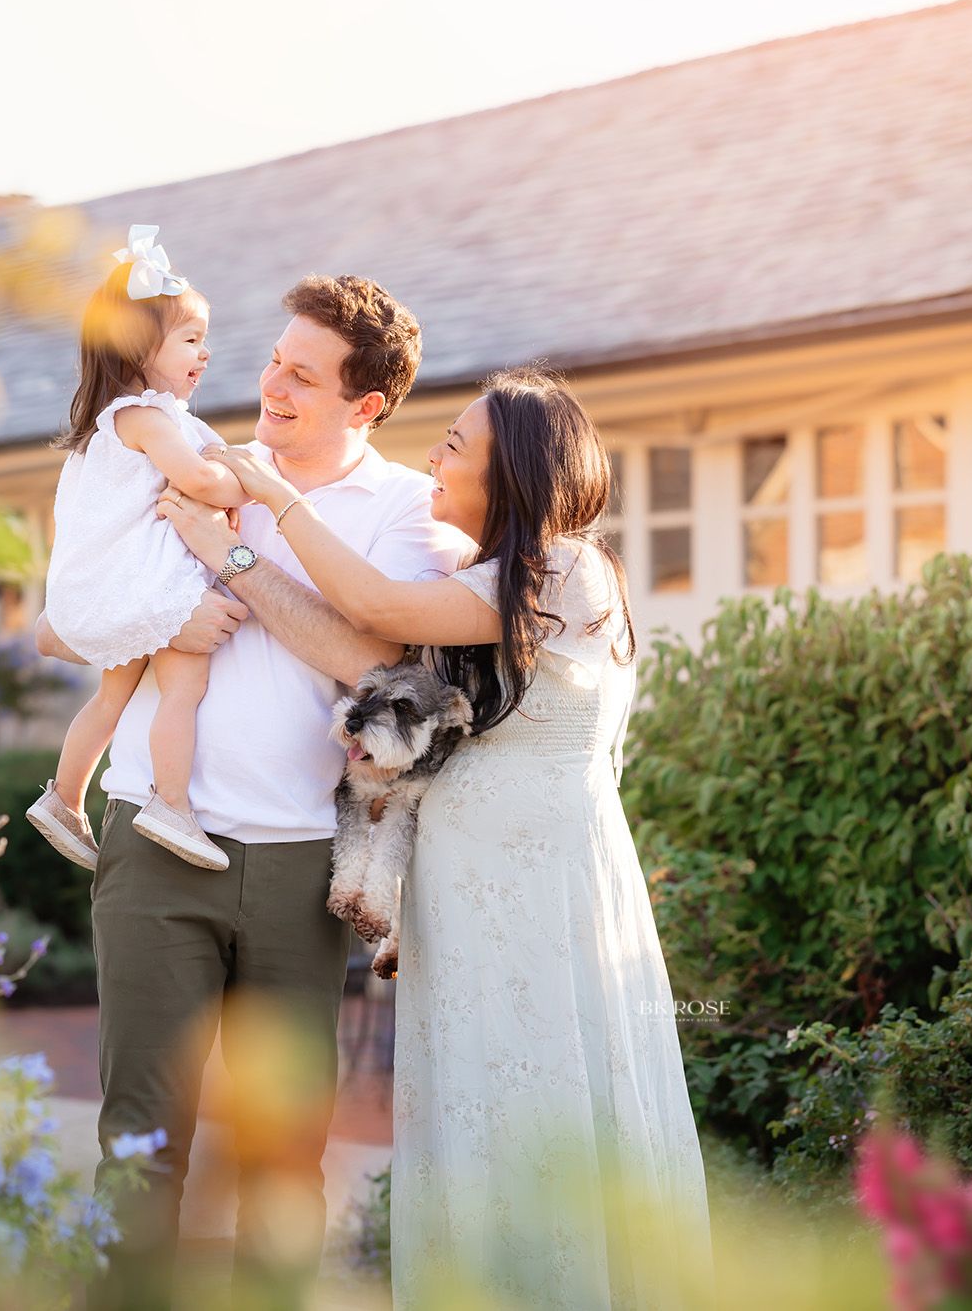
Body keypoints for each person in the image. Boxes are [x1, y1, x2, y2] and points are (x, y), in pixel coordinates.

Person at [188, 366, 714, 1308]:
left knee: (546, 1090)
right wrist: (233, 561)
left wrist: (271, 493)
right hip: (461, 898)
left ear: (511, 473)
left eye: (457, 447)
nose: (433, 457)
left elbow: (379, 612)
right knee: (477, 1105)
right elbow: (361, 654)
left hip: (544, 894)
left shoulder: (566, 570)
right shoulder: (483, 591)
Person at [34, 274, 472, 1308]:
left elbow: (367, 654)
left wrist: (224, 560)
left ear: (364, 405)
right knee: (139, 1145)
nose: (270, 383)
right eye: (274, 358)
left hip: (290, 869)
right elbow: (60, 617)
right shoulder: (191, 454)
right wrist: (158, 623)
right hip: (153, 840)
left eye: (302, 376)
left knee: (282, 1162)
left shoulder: (401, 507)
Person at [27, 224, 249, 872]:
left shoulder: (145, 418)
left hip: (125, 585)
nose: (204, 353)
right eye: (191, 340)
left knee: (112, 698)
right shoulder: (145, 417)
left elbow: (203, 451)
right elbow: (203, 478)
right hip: (154, 588)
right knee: (186, 684)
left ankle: (65, 796)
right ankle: (171, 804)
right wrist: (253, 483)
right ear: (138, 349)